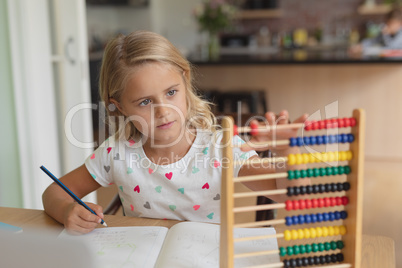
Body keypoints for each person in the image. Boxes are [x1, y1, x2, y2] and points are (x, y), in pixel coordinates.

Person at [42, 31, 309, 234]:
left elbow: (286, 192)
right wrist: (68, 210)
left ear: (185, 80)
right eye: (145, 102)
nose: (163, 111)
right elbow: (54, 192)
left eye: (171, 93)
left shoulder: (221, 147)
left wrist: (288, 151)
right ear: (118, 105)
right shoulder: (116, 152)